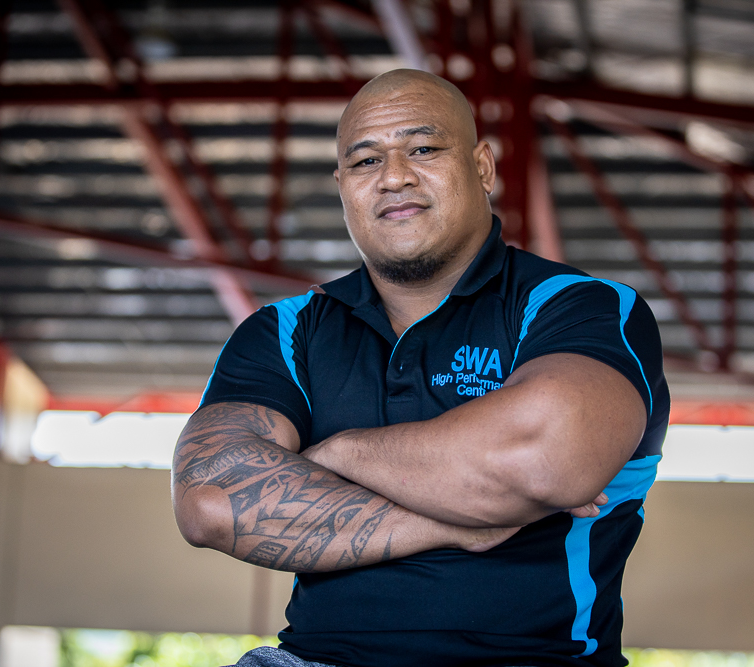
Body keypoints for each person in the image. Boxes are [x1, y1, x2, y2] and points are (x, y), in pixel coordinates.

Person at [171, 69, 669, 667]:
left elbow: (543, 460)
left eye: (424, 149)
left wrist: (338, 453)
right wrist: (459, 522)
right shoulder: (285, 330)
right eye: (365, 161)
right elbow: (212, 501)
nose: (394, 177)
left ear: (483, 167)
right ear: (343, 187)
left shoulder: (579, 306)